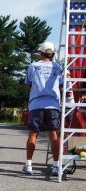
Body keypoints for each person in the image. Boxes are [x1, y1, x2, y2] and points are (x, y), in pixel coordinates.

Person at [23, 41, 63, 176]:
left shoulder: (33, 66)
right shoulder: (58, 67)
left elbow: (28, 84)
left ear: (41, 53)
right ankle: (56, 166)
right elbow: (61, 86)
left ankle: (29, 165)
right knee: (54, 135)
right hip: (52, 104)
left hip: (36, 104)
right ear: (52, 54)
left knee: (33, 134)